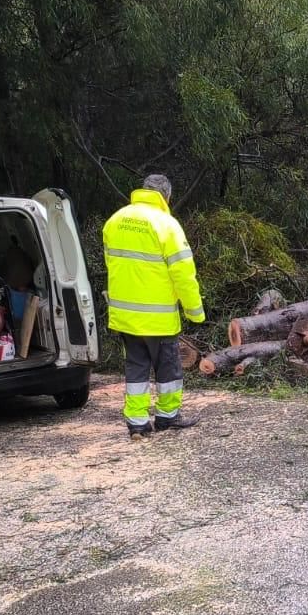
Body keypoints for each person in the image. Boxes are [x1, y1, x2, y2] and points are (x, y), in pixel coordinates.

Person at [102, 173, 205, 436]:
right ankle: (167, 417)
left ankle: (137, 422)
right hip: (158, 319)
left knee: (136, 368)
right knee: (168, 370)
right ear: (166, 196)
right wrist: (195, 312)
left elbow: (113, 266)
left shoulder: (115, 220)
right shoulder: (166, 225)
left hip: (125, 316)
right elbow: (183, 274)